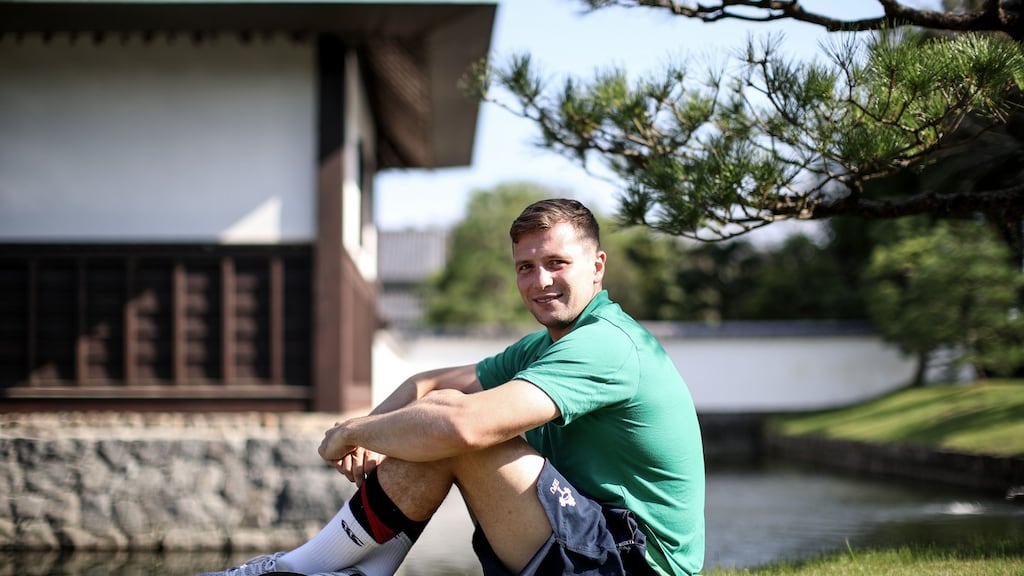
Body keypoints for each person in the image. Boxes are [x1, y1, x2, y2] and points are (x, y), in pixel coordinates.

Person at [198, 198, 705, 576]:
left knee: (453, 427)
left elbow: (462, 426)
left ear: (597, 267)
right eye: (525, 267)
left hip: (635, 562)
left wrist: (353, 431)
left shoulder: (607, 344)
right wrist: (374, 440)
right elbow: (427, 382)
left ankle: (298, 569)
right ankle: (341, 570)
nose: (540, 280)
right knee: (438, 414)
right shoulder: (543, 347)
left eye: (556, 263)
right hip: (597, 538)